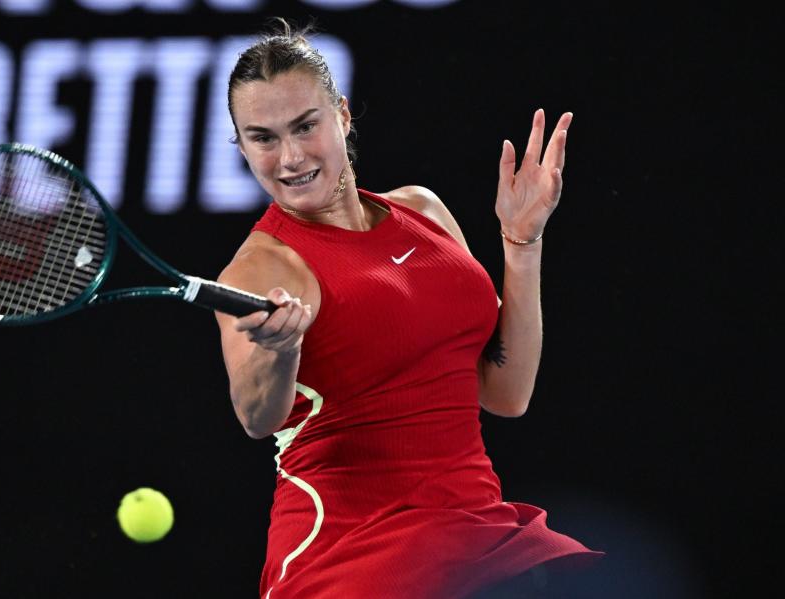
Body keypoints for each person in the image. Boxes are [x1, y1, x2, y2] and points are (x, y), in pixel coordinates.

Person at [213, 19, 603, 599]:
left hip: (479, 535)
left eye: (305, 126)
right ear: (241, 145)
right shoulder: (262, 269)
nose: (290, 157)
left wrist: (522, 241)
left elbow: (505, 392)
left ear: (342, 116)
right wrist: (280, 350)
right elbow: (256, 416)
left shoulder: (422, 210)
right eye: (263, 137)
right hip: (356, 557)